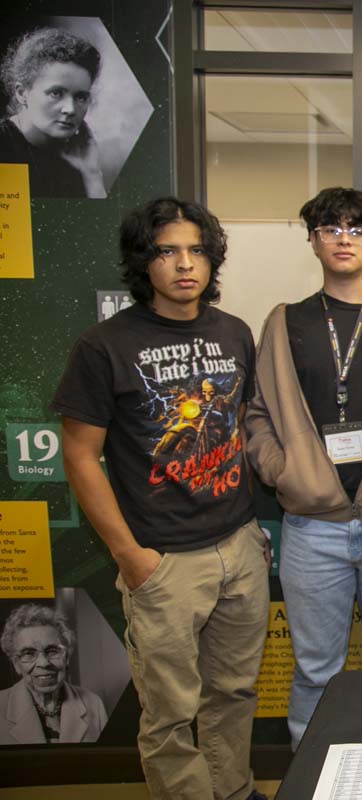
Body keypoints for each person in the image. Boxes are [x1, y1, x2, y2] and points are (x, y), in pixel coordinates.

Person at [52, 197, 268, 799]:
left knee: (233, 692)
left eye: (196, 250)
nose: (184, 264)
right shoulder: (105, 346)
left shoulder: (233, 333)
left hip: (238, 545)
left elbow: (238, 423)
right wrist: (131, 557)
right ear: (143, 262)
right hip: (164, 560)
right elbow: (78, 456)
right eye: (167, 251)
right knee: (171, 713)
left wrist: (248, 536)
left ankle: (233, 789)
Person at [244, 187, 362, 748]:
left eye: (356, 230)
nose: (343, 239)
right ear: (313, 241)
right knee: (315, 670)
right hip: (311, 528)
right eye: (331, 229)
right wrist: (283, 471)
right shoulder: (286, 322)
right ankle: (313, 769)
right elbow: (257, 415)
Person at [0, 27, 105, 197]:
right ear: (22, 93)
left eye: (80, 97)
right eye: (56, 93)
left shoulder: (77, 159)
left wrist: (92, 175)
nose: (70, 109)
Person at [0, 604, 107, 744]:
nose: (44, 663)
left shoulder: (94, 704)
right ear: (16, 664)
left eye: (52, 651)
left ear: (66, 657)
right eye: (28, 653)